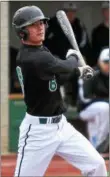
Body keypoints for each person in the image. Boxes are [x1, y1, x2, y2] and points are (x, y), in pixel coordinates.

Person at [12, 5, 107, 177]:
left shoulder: (40, 51)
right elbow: (62, 66)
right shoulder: (31, 57)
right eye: (33, 25)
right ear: (22, 32)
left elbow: (56, 78)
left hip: (61, 127)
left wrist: (78, 71)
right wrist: (74, 57)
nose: (40, 27)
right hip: (38, 133)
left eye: (41, 23)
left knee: (96, 165)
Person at [77, 48, 109, 153]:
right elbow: (84, 98)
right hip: (85, 110)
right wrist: (105, 100)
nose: (108, 65)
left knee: (99, 119)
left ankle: (95, 149)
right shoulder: (90, 73)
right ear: (99, 61)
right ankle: (100, 147)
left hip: (100, 111)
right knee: (104, 108)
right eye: (105, 62)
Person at [91, 1, 109, 66]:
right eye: (105, 10)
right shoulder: (97, 31)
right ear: (102, 12)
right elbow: (94, 52)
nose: (108, 12)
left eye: (109, 9)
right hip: (103, 65)